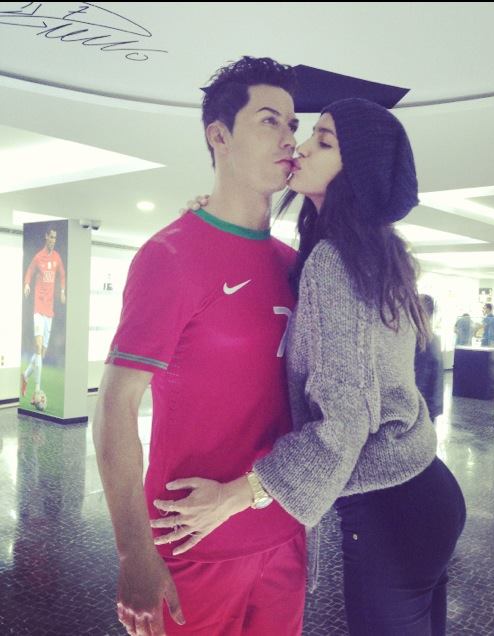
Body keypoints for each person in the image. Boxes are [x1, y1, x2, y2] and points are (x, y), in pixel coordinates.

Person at [156, 98, 467, 636]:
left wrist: (236, 495)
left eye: (324, 142)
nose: (300, 147)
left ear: (357, 170)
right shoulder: (370, 253)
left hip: (390, 507)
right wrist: (218, 221)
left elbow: (343, 424)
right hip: (426, 489)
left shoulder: (333, 261)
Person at [93, 57, 306, 636]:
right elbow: (114, 404)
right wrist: (133, 551)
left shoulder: (296, 265)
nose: (289, 138)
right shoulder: (170, 256)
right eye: (270, 120)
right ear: (220, 136)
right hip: (191, 539)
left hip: (282, 528)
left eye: (293, 124)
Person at [21, 226, 66, 405]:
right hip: (38, 308)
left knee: (42, 354)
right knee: (38, 348)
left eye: (55, 237)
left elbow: (62, 275)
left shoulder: (57, 258)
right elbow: (29, 272)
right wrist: (26, 284)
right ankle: (37, 391)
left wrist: (62, 291)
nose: (53, 240)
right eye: (51, 237)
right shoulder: (38, 257)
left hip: (50, 310)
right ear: (46, 237)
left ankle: (25, 376)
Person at [415, 294, 444, 423]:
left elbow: (427, 375)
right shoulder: (427, 337)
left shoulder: (425, 339)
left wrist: (432, 408)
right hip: (422, 405)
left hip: (421, 406)